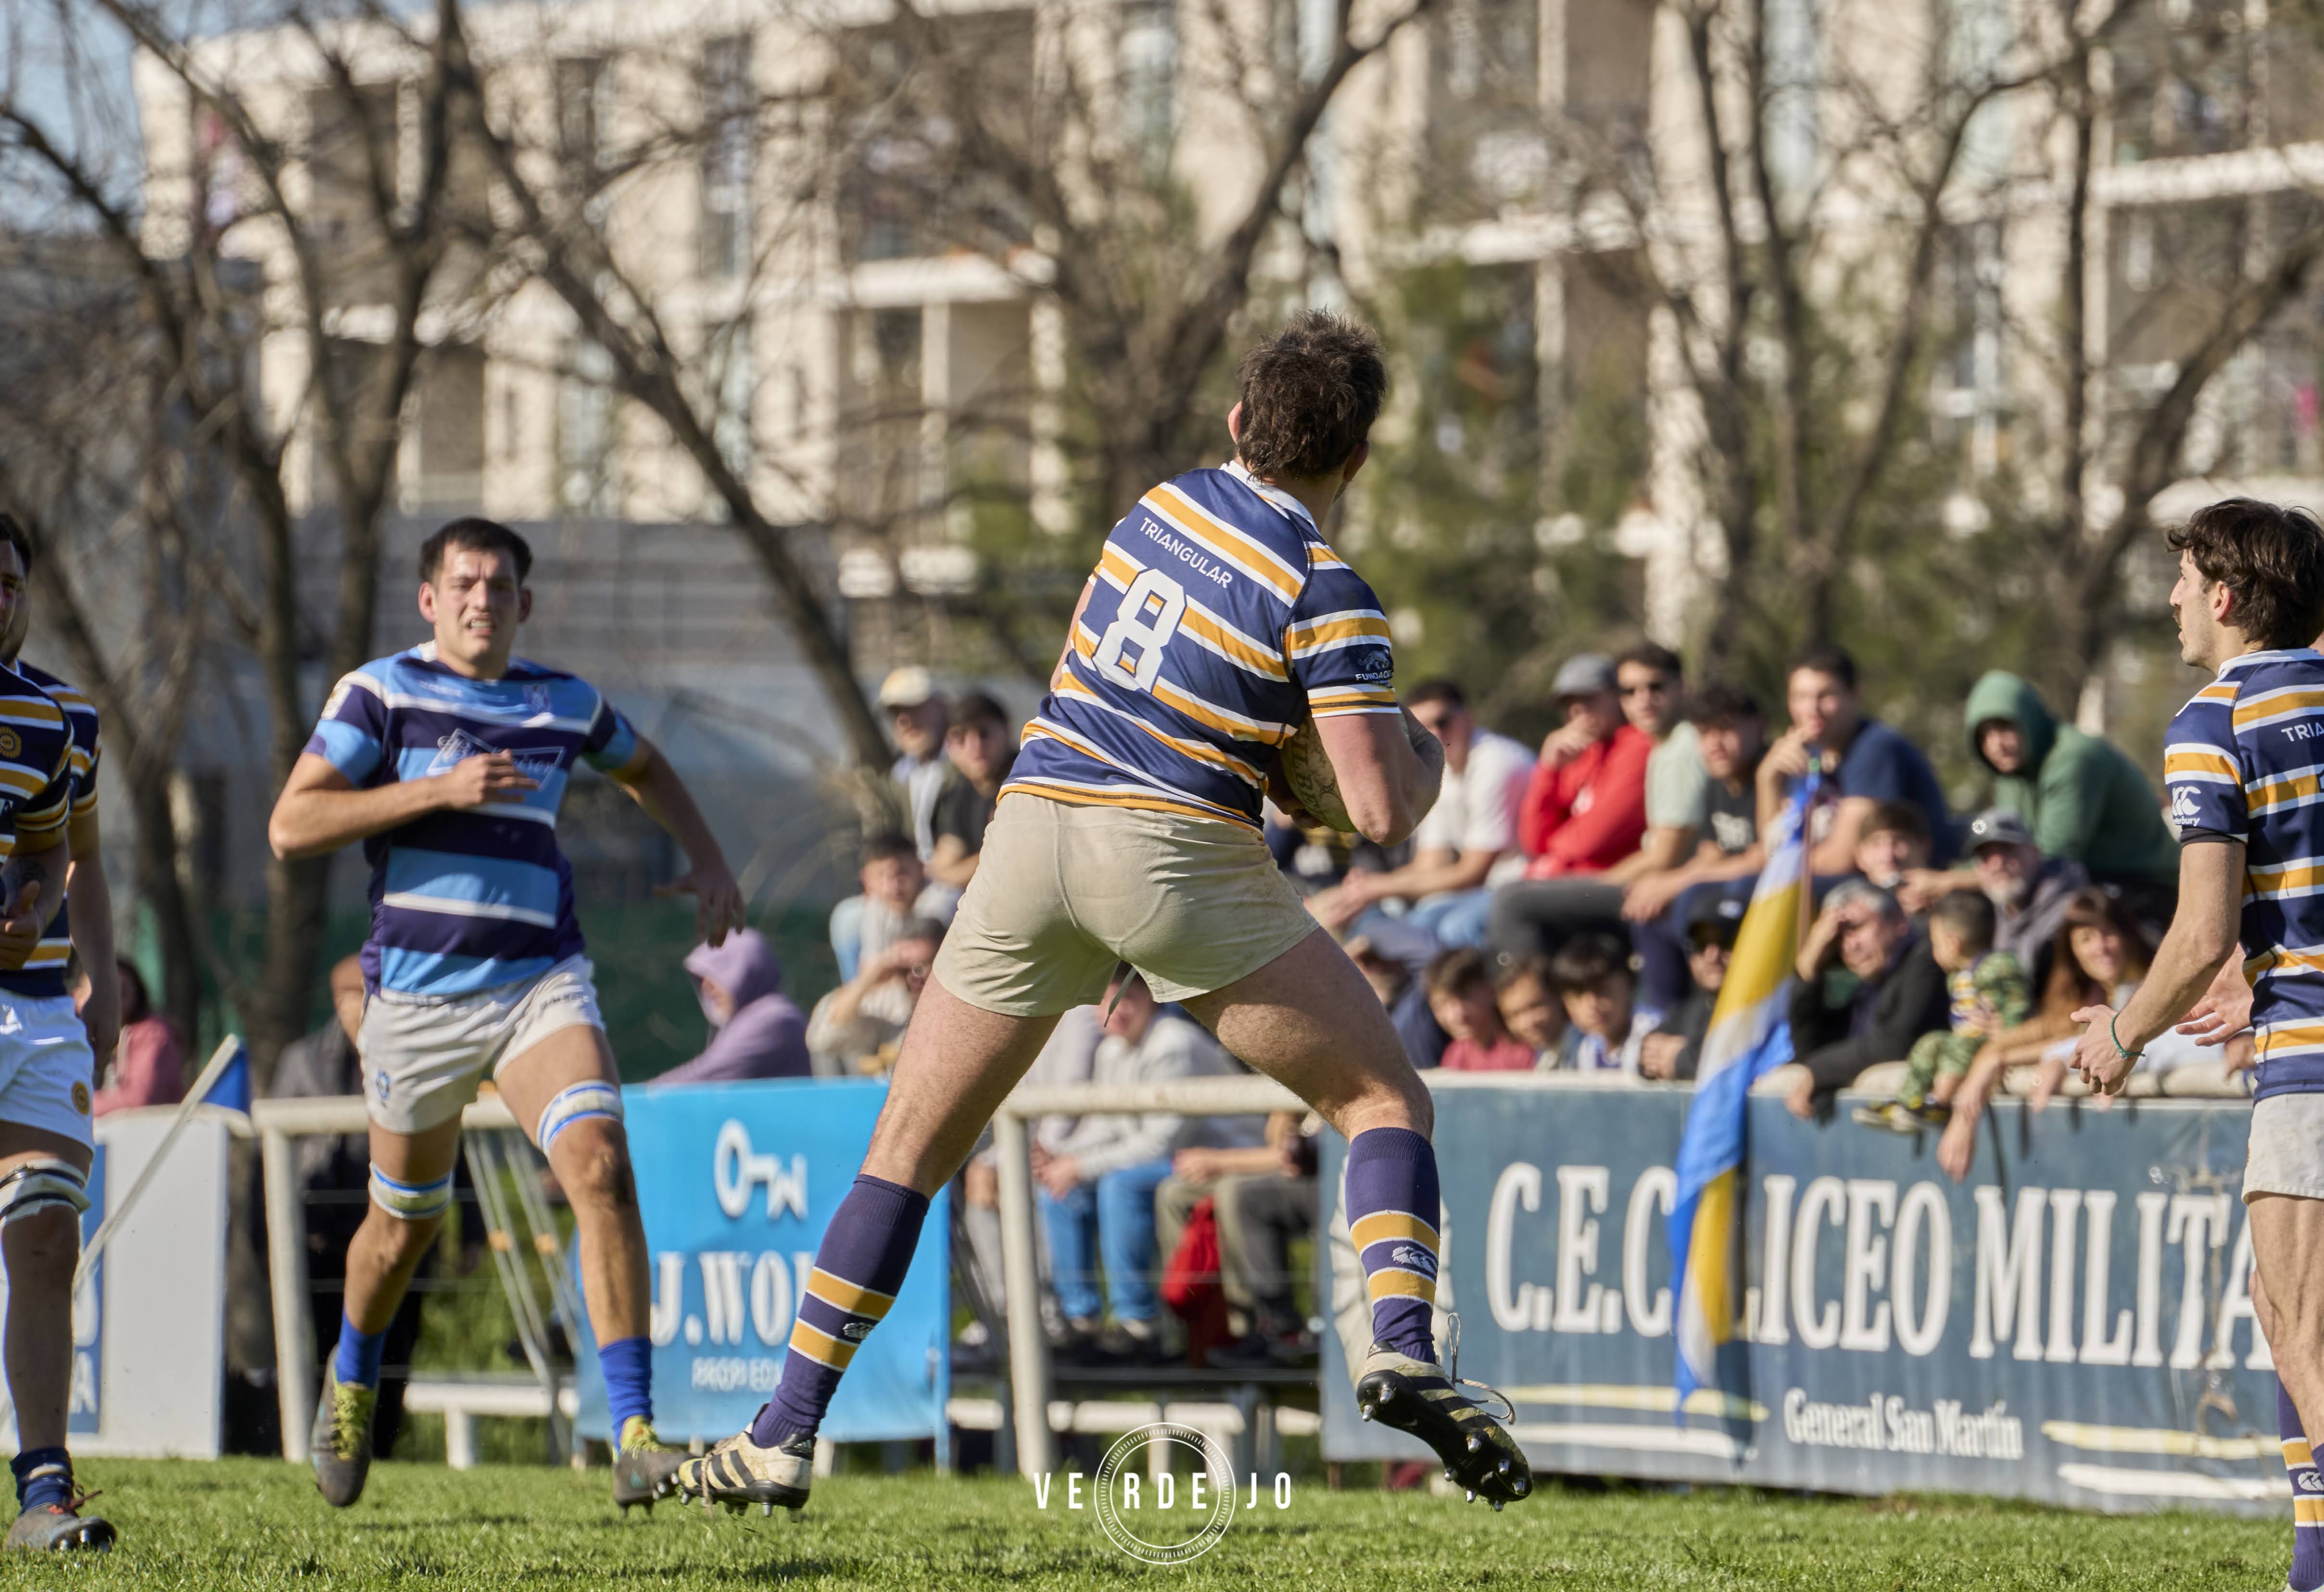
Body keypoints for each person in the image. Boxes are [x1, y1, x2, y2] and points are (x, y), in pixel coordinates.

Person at [674, 312, 1530, 1516]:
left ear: (1238, 422)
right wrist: (1415, 754)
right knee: (1381, 1098)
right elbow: (1382, 808)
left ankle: (779, 1430)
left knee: (907, 1149)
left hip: (1029, 831)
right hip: (1173, 843)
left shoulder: (1158, 505)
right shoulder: (1327, 588)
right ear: (1362, 457)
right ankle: (1399, 1343)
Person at [267, 516, 745, 1514]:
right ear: (429, 600)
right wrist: (436, 787)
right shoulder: (380, 692)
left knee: (601, 1167)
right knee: (403, 1231)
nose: (482, 599)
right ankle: (351, 1377)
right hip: (417, 1001)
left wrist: (706, 855)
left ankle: (634, 1434)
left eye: (500, 584)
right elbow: (290, 822)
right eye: (464, 583)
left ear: (524, 603)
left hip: (538, 983)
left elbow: (645, 765)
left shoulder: (561, 701)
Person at [2067, 498, 2324, 1592]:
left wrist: (2122, 1030)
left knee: (2301, 1322)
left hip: (2310, 1061)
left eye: (2180, 579)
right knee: (2285, 1311)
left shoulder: (2212, 719)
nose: (2171, 599)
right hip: (2286, 1020)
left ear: (2223, 595)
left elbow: (2199, 926)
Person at [0, 517, 107, 1550]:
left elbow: (64, 856)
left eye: (9, 582)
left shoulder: (61, 716)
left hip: (33, 1010)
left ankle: (43, 1493)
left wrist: (85, 960)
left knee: (45, 1230)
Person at [1032, 972, 1255, 1364]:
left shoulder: (1174, 1042)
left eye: (1128, 998)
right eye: (1106, 1000)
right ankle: (1080, 1319)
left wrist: (1079, 1164)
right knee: (1058, 1191)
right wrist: (1062, 1159)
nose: (1117, 1010)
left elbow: (1159, 1144)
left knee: (1120, 1185)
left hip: (1224, 1159)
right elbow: (1107, 1126)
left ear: (1152, 1000)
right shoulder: (1111, 1050)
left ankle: (1138, 1322)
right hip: (1175, 1158)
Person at [269, 954, 431, 1467]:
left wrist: (467, 1231)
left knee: (397, 1347)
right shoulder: (301, 1061)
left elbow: (446, 1145)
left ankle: (380, 1448)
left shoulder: (418, 1057)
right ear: (338, 1001)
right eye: (356, 996)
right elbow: (268, 1157)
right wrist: (265, 1237)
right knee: (319, 1346)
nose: (363, 1008)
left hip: (400, 1228)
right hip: (322, 1239)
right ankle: (323, 1444)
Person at [1307, 679, 1530, 948]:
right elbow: (1431, 863)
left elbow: (1473, 873)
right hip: (1491, 889)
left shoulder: (1497, 763)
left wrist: (1378, 888)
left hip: (1524, 885)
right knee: (1415, 925)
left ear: (1469, 717)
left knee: (1451, 930)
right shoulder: (1441, 770)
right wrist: (1363, 889)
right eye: (1423, 727)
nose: (1436, 733)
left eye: (1444, 721)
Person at [1962, 669, 2178, 920]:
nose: (1996, 745)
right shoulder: (2012, 773)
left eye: (2004, 727)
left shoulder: (2073, 758)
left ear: (2027, 719)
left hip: (2143, 887)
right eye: (1984, 735)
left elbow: (2054, 856)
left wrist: (1952, 881)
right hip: (2081, 883)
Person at [1487, 654, 1654, 960]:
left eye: (1589, 699)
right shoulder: (1580, 754)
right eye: (1569, 704)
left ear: (1616, 698)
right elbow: (1534, 841)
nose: (1578, 711)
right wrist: (1548, 767)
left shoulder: (1636, 746)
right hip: (1571, 882)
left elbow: (1592, 840)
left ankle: (1538, 1004)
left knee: (1510, 904)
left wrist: (1554, 855)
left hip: (1615, 882)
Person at [1757, 644, 1953, 878]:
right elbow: (1774, 845)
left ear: (1855, 696)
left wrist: (1779, 866)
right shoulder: (1809, 752)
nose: (1812, 709)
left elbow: (1838, 861)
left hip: (1903, 885)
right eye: (1801, 697)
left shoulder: (1875, 748)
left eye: (1826, 696)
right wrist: (1767, 778)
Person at [1853, 891, 2030, 1132]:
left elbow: (2017, 1007)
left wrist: (2008, 1030)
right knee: (1931, 1042)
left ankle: (1940, 1103)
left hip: (1991, 1043)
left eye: (1935, 944)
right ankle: (1908, 1100)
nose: (1933, 951)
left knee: (1958, 1047)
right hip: (1965, 1039)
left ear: (1953, 944)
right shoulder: (1957, 977)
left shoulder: (1995, 967)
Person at [1783, 879, 1948, 1118]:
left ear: (1899, 922)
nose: (1850, 946)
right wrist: (1809, 968)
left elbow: (1896, 1043)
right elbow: (1809, 1050)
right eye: (1839, 938)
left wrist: (1818, 1070)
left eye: (1857, 928)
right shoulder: (1869, 986)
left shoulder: (1927, 961)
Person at [653, 929, 810, 1084]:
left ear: (748, 969)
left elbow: (706, 1078)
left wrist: (639, 1098)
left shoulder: (773, 1019)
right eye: (702, 978)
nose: (707, 987)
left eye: (720, 971)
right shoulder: (745, 1020)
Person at [1959, 808, 2089, 988]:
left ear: (2036, 852)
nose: (1997, 864)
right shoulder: (1987, 913)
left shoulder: (2074, 912)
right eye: (1985, 856)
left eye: (2007, 849)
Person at [805, 920, 945, 1077]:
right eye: (905, 969)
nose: (914, 978)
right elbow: (824, 1038)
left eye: (921, 967)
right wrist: (868, 979)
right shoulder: (894, 1014)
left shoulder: (955, 1013)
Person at [1638, 894, 1743, 1082]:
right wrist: (1664, 1056)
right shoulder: (1690, 1010)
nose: (1712, 956)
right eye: (1700, 944)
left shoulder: (1767, 1006)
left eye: (1727, 942)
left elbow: (1740, 1058)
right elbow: (1645, 1056)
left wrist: (1680, 1058)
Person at [829, 833, 948, 984]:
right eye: (880, 876)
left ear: (921, 868)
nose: (892, 887)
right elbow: (866, 977)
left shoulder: (941, 901)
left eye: (901, 873)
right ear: (866, 880)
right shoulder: (873, 908)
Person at [926, 693, 1015, 892]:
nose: (975, 746)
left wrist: (958, 872)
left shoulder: (1026, 784)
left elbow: (1008, 861)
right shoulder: (961, 793)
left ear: (1007, 732)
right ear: (947, 746)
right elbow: (943, 865)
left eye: (984, 733)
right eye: (960, 737)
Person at [1547, 934, 1656, 1073]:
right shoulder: (1583, 1045)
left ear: (1629, 985)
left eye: (1602, 991)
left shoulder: (1654, 1033)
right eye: (1578, 996)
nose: (1592, 1005)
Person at [90, 961, 183, 1115]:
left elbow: (139, 1099)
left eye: (123, 990)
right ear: (78, 996)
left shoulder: (153, 1035)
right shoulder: (71, 1035)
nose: (114, 996)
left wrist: (79, 1106)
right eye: (104, 989)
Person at [879, 666, 950, 861]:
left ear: (942, 708)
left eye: (913, 708)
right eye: (895, 713)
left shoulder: (972, 768)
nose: (904, 721)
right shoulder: (896, 781)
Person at [1425, 949, 1536, 1071]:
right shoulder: (1454, 1056)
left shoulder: (1525, 1048)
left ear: (1490, 990)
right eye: (1442, 1004)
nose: (1456, 1016)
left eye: (1465, 997)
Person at [1493, 956, 1566, 1062]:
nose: (1527, 1023)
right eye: (1514, 1015)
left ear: (1558, 996)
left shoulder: (1592, 1052)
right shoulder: (1544, 1057)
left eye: (1535, 1006)